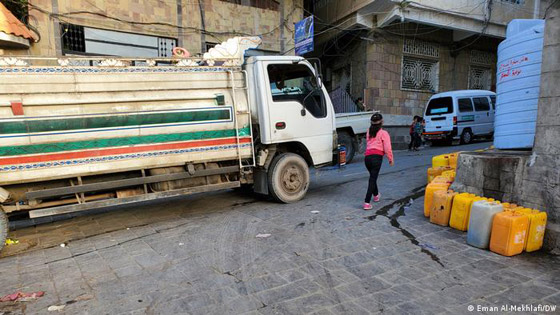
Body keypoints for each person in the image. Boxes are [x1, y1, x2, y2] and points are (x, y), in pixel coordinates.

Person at [363, 113, 394, 210]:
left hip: (367, 158)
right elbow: (387, 148)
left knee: (373, 177)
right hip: (376, 158)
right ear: (382, 122)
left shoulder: (368, 132)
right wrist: (390, 159)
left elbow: (368, 144)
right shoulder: (384, 133)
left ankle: (376, 195)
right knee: (372, 179)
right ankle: (366, 202)